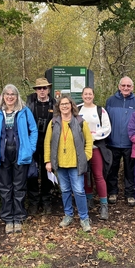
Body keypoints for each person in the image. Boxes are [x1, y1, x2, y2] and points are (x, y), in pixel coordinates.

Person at [0, 84, 38, 234]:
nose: (10, 97)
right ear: (3, 96)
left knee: (19, 186)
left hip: (20, 154)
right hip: (2, 155)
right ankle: (8, 218)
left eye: (13, 94)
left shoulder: (24, 111)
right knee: (5, 187)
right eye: (7, 94)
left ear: (17, 96)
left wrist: (30, 148)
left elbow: (33, 130)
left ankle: (19, 216)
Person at [44, 95, 93, 231]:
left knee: (79, 191)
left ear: (72, 105)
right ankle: (68, 215)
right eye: (62, 104)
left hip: (76, 163)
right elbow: (47, 143)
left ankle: (84, 218)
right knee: (65, 190)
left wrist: (86, 156)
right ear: (58, 107)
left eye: (67, 104)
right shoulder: (54, 122)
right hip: (59, 164)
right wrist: (48, 161)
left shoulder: (80, 121)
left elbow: (89, 141)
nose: (64, 106)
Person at [78, 87, 112, 220]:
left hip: (96, 146)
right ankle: (89, 199)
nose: (87, 96)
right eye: (85, 94)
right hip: (81, 148)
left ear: (93, 95)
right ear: (82, 96)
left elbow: (107, 128)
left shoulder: (100, 110)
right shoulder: (77, 110)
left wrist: (93, 136)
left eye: (90, 94)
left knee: (98, 175)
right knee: (85, 174)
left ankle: (104, 204)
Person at [105, 76, 135, 206]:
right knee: (112, 169)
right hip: (112, 142)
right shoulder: (110, 101)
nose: (126, 88)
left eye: (128, 86)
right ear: (119, 86)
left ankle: (130, 194)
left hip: (130, 143)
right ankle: (113, 192)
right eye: (123, 85)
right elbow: (105, 121)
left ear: (132, 87)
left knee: (130, 170)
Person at [25, 78, 57, 215]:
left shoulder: (54, 104)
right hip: (33, 143)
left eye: (44, 88)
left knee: (47, 172)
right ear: (36, 90)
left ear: (48, 89)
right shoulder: (30, 104)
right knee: (32, 173)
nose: (42, 91)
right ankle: (33, 202)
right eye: (39, 88)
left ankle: (46, 200)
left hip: (48, 143)